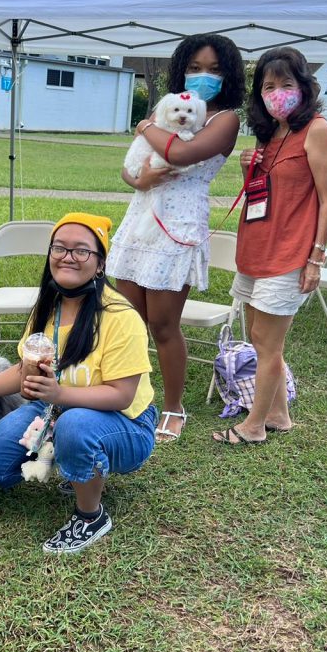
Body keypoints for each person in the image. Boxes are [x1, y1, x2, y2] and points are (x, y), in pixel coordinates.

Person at [0, 213, 157, 553]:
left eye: (81, 250)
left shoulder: (121, 316)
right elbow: (23, 371)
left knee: (74, 425)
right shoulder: (47, 308)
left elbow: (122, 395)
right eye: (60, 247)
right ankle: (78, 467)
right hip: (54, 409)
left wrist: (60, 394)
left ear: (100, 264)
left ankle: (91, 515)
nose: (68, 256)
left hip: (126, 422)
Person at [106, 33, 245, 442]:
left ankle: (173, 405)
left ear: (229, 76)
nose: (204, 77)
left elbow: (182, 155)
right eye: (196, 68)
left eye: (215, 70)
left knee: (163, 325)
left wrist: (148, 124)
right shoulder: (169, 109)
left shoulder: (224, 120)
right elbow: (129, 171)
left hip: (179, 227)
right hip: (140, 220)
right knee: (126, 319)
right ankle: (125, 395)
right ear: (182, 69)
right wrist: (141, 178)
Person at [212, 46, 327, 446]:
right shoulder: (270, 133)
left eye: (287, 83)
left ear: (304, 87)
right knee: (259, 338)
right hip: (255, 249)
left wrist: (316, 258)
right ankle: (279, 415)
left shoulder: (315, 129)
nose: (277, 92)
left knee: (268, 343)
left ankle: (253, 426)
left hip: (289, 253)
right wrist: (245, 167)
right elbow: (260, 193)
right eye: (269, 85)